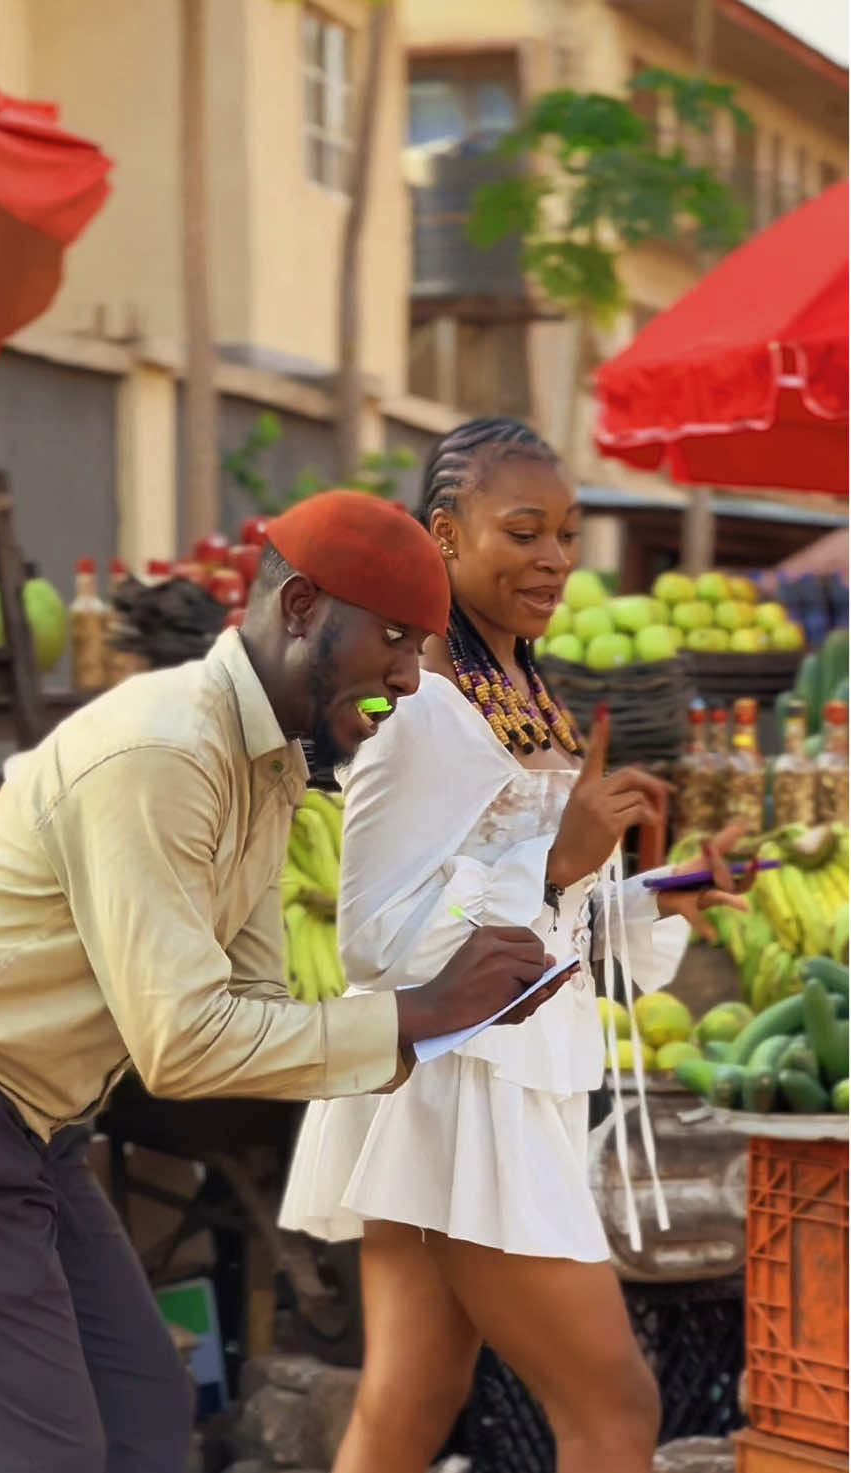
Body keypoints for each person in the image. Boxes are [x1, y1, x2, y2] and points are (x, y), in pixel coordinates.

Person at [0, 490, 560, 1473]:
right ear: (301, 607)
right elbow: (182, 1044)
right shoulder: (167, 751)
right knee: (24, 1455)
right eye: (394, 641)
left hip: (23, 1120)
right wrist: (415, 1014)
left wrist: (446, 1013)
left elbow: (249, 1009)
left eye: (419, 649)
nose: (407, 677)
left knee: (140, 1411)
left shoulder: (265, 765)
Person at [279, 425, 752, 1473]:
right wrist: (551, 868)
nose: (553, 558)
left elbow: (547, 910)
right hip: (463, 1095)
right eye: (524, 531)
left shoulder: (519, 699)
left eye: (569, 537)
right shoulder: (423, 709)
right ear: (443, 535)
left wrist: (668, 894)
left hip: (478, 1083)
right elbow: (372, 945)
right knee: (616, 1409)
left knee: (410, 1405)